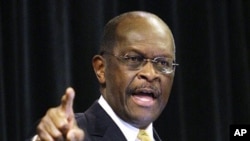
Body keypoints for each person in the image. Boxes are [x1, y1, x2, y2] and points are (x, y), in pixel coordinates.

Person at [28, 11, 178, 141]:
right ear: (101, 69)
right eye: (134, 59)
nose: (150, 74)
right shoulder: (71, 134)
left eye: (163, 63)